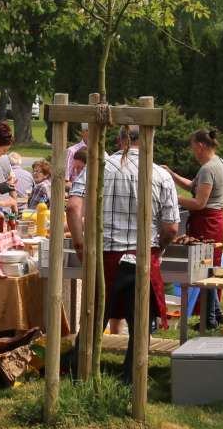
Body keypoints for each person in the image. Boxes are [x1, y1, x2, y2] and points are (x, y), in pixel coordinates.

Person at [68, 125, 182, 374]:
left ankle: (81, 372)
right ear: (147, 140)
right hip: (143, 255)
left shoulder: (98, 167)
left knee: (94, 317)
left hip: (103, 256)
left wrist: (80, 246)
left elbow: (73, 207)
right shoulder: (160, 175)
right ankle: (133, 376)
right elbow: (172, 227)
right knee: (139, 323)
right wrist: (160, 248)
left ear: (120, 140)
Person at [168, 129, 223, 324]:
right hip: (213, 220)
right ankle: (216, 314)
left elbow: (199, 203)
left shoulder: (208, 168)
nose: (192, 151)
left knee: (204, 269)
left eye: (193, 147)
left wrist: (173, 198)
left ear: (201, 146)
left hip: (207, 222)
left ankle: (209, 317)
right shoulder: (216, 162)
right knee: (208, 267)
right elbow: (192, 186)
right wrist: (171, 174)